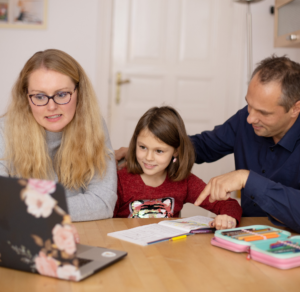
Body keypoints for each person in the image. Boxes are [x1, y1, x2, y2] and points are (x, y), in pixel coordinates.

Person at [115, 55, 300, 233]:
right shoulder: (246, 119)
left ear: (295, 108)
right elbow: (204, 145)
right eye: (249, 105)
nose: (250, 118)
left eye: (263, 113)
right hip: (247, 230)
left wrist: (247, 179)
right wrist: (161, 146)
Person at [0, 49, 117, 222]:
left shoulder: (94, 125)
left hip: (84, 233)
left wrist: (29, 207)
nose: (52, 106)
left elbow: (103, 202)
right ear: (26, 97)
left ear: (79, 93)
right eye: (39, 96)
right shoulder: (4, 131)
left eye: (61, 94)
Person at [114, 106, 242, 230]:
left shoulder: (184, 182)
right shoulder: (120, 181)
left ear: (175, 151)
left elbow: (229, 204)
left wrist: (228, 218)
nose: (148, 157)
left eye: (159, 151)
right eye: (143, 147)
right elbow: (104, 221)